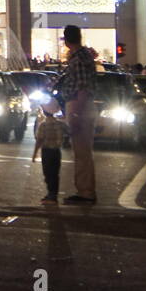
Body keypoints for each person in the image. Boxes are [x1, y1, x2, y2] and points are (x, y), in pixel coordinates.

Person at [55, 24, 98, 204]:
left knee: (81, 151)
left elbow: (82, 87)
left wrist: (75, 115)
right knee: (82, 151)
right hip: (81, 105)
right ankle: (85, 190)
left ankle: (85, 192)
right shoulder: (82, 56)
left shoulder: (79, 58)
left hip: (79, 105)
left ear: (66, 39)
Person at [32, 95, 68, 204]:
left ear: (44, 111)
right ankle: (53, 195)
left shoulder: (43, 125)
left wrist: (35, 154)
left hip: (47, 151)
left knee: (48, 173)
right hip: (57, 152)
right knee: (55, 173)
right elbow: (69, 132)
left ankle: (51, 195)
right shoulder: (61, 124)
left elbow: (39, 140)